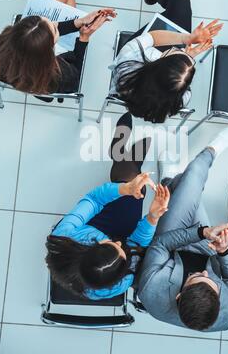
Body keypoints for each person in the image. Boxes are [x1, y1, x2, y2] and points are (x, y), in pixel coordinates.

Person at [46, 113, 170, 300]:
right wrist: (153, 217)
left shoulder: (65, 236)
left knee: (130, 184)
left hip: (94, 225)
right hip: (118, 232)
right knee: (139, 191)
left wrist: (124, 189)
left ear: (91, 245)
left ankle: (120, 155)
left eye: (112, 245)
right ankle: (128, 161)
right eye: (121, 250)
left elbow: (94, 200)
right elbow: (135, 244)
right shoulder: (121, 282)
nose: (120, 243)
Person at [138, 127, 228, 332]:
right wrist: (224, 250)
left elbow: (160, 244)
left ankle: (203, 157)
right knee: (188, 185)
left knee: (193, 175)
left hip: (170, 246)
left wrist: (201, 232)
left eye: (197, 276)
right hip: (208, 249)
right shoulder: (227, 315)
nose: (205, 272)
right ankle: (170, 180)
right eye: (212, 280)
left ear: (178, 295)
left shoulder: (151, 290)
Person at [0, 0, 121, 99]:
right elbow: (75, 71)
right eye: (55, 28)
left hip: (31, 70)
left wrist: (77, 23)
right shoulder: (61, 75)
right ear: (50, 49)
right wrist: (84, 38)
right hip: (47, 81)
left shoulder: (5, 41)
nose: (55, 22)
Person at [109, 0, 223, 123]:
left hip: (139, 64)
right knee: (181, 4)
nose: (180, 48)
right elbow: (177, 79)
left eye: (174, 51)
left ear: (159, 62)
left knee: (181, 0)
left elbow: (154, 37)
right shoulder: (181, 99)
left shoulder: (129, 60)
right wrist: (189, 55)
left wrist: (187, 39)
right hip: (149, 85)